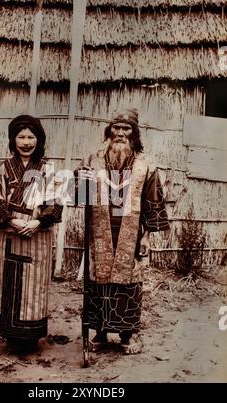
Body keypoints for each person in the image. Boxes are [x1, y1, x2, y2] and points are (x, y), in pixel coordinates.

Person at [75, 108, 169, 355]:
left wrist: (147, 237)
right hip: (99, 231)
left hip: (131, 233)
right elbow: (77, 195)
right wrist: (79, 178)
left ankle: (128, 333)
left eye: (126, 129)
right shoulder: (93, 159)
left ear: (134, 133)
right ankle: (100, 332)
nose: (120, 133)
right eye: (116, 128)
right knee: (98, 281)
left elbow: (153, 202)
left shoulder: (146, 165)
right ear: (109, 130)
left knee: (129, 284)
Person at [0, 115, 63, 354]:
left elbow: (57, 200)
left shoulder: (49, 170)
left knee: (35, 286)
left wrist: (38, 222)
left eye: (31, 137)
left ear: (39, 140)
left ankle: (32, 338)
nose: (26, 142)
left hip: (38, 237)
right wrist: (14, 222)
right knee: (11, 282)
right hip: (11, 235)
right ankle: (11, 337)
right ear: (12, 139)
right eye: (21, 137)